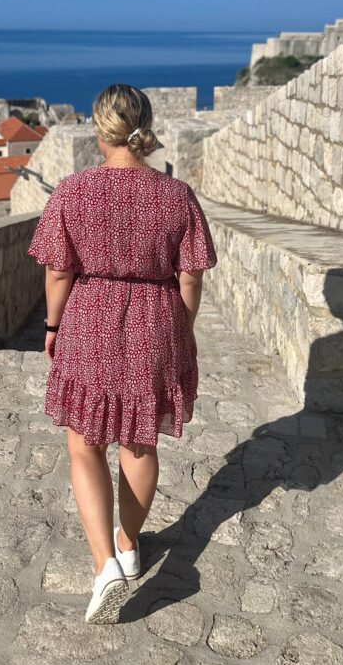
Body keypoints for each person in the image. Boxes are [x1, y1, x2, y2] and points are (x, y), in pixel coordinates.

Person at [26, 83, 217, 624]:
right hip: (157, 321)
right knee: (139, 441)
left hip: (89, 318)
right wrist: (181, 327)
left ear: (99, 131)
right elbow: (191, 277)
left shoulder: (73, 191)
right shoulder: (177, 196)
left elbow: (58, 271)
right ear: (146, 127)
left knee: (84, 445)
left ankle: (104, 564)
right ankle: (129, 543)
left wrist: (52, 325)